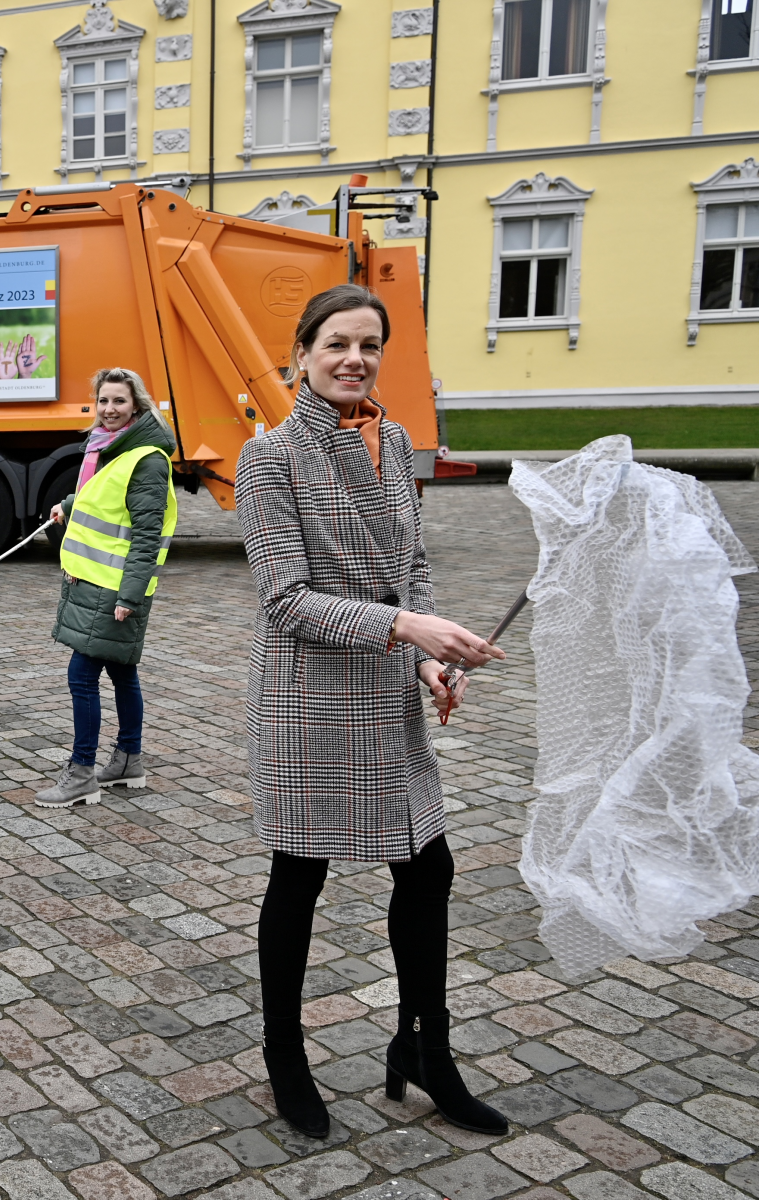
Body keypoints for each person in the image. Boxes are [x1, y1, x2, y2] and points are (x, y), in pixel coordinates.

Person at [235, 284, 509, 1140]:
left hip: (389, 695)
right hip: (308, 700)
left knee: (428, 869)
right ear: (303, 355)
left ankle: (423, 1051)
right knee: (300, 876)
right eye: (337, 345)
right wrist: (405, 626)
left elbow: (412, 566)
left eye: (369, 345)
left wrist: (433, 658)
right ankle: (286, 1058)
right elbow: (286, 600)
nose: (355, 359)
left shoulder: (393, 440)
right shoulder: (270, 457)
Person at [37, 368, 176, 808]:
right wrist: (68, 506)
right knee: (121, 671)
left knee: (82, 675)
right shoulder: (111, 448)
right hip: (96, 582)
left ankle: (81, 774)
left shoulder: (147, 458)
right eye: (103, 401)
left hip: (113, 588)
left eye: (119, 401)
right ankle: (128, 760)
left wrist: (130, 598)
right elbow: (105, 499)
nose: (110, 409)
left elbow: (147, 534)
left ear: (137, 405)